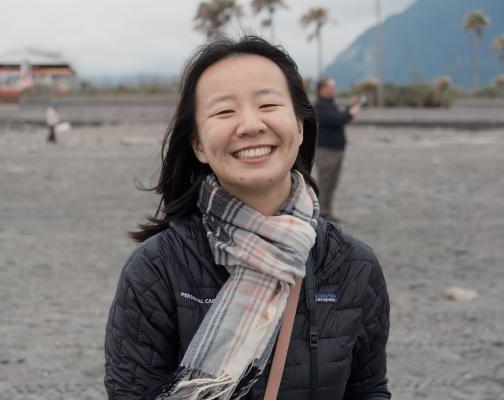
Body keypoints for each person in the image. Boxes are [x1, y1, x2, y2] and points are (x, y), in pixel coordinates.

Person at [104, 36, 390, 400]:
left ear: (300, 126)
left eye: (268, 104)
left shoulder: (353, 265)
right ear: (197, 144)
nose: (250, 124)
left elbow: (368, 389)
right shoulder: (155, 270)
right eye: (225, 112)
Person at [314, 78, 360, 221]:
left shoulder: (328, 104)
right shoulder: (319, 106)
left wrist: (349, 108)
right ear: (322, 89)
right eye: (331, 87)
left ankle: (327, 213)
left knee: (332, 184)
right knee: (325, 184)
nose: (334, 89)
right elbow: (337, 120)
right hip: (326, 152)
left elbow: (338, 117)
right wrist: (350, 113)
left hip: (335, 150)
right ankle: (321, 216)